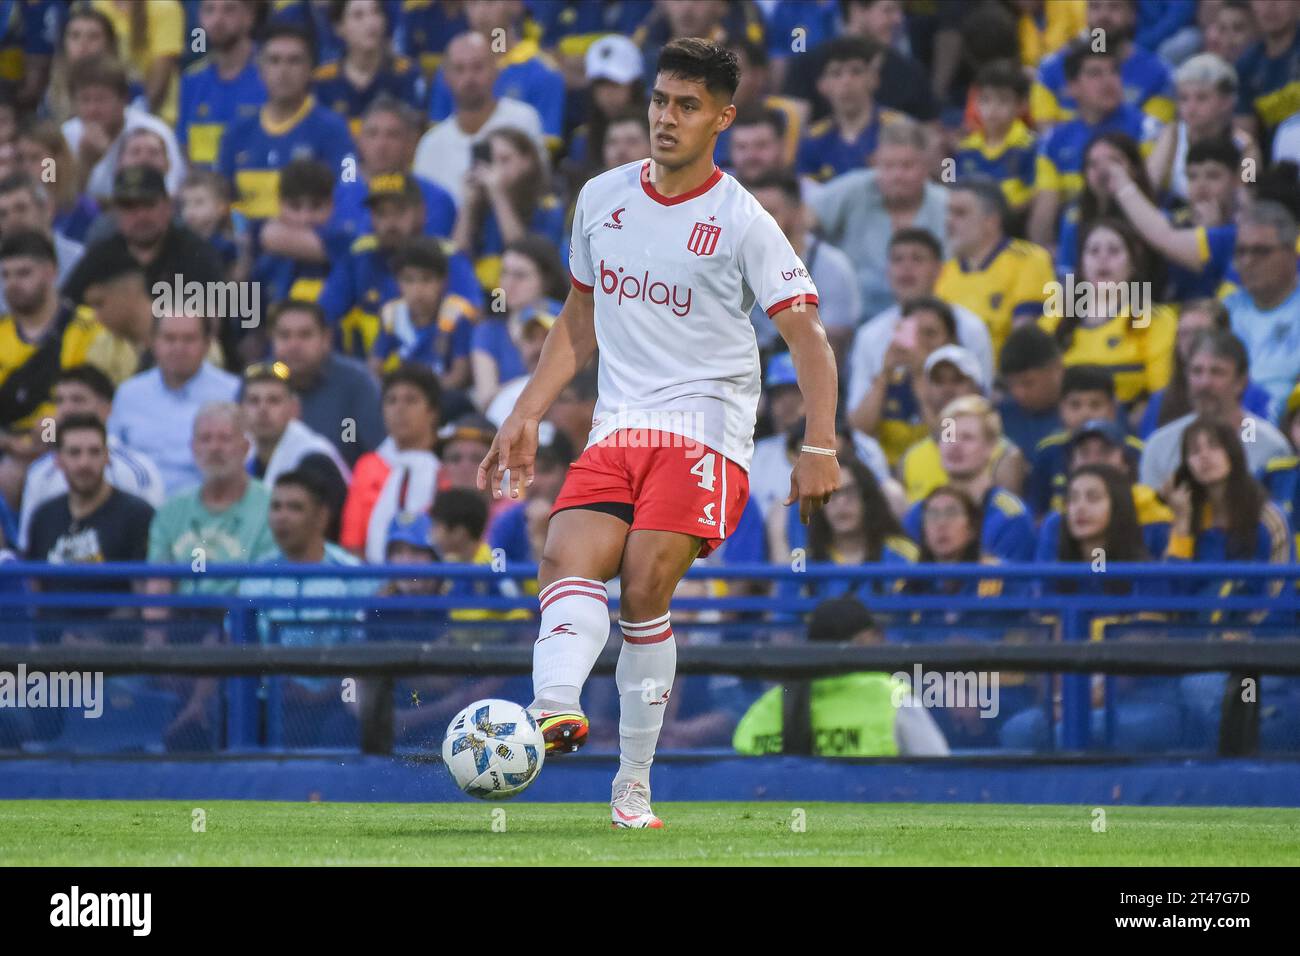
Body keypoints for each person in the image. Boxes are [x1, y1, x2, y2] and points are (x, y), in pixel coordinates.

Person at [477, 39, 838, 828]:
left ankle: (632, 785)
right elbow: (580, 319)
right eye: (659, 100)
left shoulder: (743, 219)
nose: (665, 118)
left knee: (644, 583)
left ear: (722, 118)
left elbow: (807, 337)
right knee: (564, 556)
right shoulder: (601, 197)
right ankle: (551, 712)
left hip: (705, 429)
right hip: (618, 425)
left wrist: (819, 445)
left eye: (686, 106)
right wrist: (527, 410)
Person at [236, 469, 374, 747]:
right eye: (276, 507)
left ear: (321, 517)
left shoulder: (353, 577)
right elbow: (237, 646)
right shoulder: (255, 576)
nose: (282, 517)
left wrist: (319, 694)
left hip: (331, 704)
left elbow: (363, 659)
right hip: (264, 701)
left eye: (295, 508)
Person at [732, 596, 949, 757]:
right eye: (878, 636)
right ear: (865, 640)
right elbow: (939, 772)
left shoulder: (766, 707)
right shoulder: (891, 696)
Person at [60, 166, 232, 367]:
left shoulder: (196, 254)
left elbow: (216, 324)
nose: (140, 215)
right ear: (116, 212)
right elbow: (66, 309)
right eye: (129, 206)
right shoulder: (102, 256)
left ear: (167, 207)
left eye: (148, 204)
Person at [808, 118, 949, 319]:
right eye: (889, 166)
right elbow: (802, 218)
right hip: (852, 320)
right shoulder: (854, 188)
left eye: (907, 166)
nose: (897, 175)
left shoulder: (946, 206)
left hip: (927, 316)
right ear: (876, 164)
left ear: (925, 167)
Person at [1038, 217, 1177, 419]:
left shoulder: (1155, 319)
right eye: (1093, 251)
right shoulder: (1055, 317)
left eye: (1114, 251)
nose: (1102, 258)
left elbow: (1160, 396)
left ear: (1133, 265)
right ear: (1082, 264)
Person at [1027, 41, 1162, 248]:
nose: (1108, 81)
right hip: (1075, 242)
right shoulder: (1054, 140)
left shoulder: (1146, 130)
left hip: (1134, 240)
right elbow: (1043, 218)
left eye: (1114, 72)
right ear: (1072, 87)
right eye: (1095, 74)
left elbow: (1149, 197)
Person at [216, 23, 356, 222]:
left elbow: (348, 190)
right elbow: (223, 200)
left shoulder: (334, 130)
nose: (283, 70)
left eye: (294, 61)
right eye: (274, 61)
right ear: (260, 69)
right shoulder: (236, 132)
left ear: (310, 69)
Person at [17, 364, 164, 552]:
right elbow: (29, 550)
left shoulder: (137, 470)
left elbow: (154, 545)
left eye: (77, 400)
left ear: (107, 408)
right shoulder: (39, 472)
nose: (66, 409)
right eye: (59, 401)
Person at [845, 228, 995, 401]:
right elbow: (857, 419)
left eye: (917, 259)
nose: (906, 267)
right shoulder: (869, 334)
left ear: (939, 269)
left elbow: (982, 404)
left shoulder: (970, 327)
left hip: (954, 426)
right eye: (897, 259)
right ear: (887, 271)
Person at [25, 413, 154, 606]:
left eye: (94, 452)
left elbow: (143, 598)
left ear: (107, 457)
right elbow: (34, 588)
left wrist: (99, 635)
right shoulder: (44, 516)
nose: (84, 463)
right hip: (51, 632)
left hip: (118, 634)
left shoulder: (137, 515)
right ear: (58, 460)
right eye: (74, 452)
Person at [1140, 329, 1291, 490]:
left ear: (1241, 382)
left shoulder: (1269, 445)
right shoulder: (1161, 445)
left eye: (1217, 372)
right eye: (1197, 371)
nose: (1205, 383)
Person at [412, 32, 545, 207]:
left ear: (495, 71)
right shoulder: (430, 144)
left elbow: (540, 186)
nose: (469, 78)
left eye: (478, 67)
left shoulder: (523, 119)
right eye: (459, 69)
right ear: (446, 78)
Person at [901, 395, 1035, 562]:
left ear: (991, 447)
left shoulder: (1011, 516)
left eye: (967, 438)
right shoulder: (919, 513)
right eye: (948, 437)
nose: (954, 445)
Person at [936, 177, 1055, 355]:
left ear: (991, 221)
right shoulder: (944, 271)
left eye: (960, 213)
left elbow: (1024, 339)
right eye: (949, 213)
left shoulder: (1029, 259)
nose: (949, 222)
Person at [748, 172, 861, 356]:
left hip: (807, 371)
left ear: (799, 213)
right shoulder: (737, 263)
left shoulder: (832, 268)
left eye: (769, 213)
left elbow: (832, 349)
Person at [0, 231, 101, 437]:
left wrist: (46, 433)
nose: (12, 284)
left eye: (23, 273)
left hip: (69, 446)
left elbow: (92, 403)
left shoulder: (90, 326)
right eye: (6, 275)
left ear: (51, 272)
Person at [896, 348, 1025, 504]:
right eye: (938, 381)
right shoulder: (910, 459)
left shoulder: (1004, 455)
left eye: (958, 380)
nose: (947, 389)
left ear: (977, 387)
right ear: (927, 390)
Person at [341, 363, 441, 563]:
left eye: (411, 400)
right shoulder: (367, 466)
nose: (399, 409)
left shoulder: (450, 463)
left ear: (432, 412)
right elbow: (352, 543)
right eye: (391, 401)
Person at [239, 361, 350, 540]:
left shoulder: (315, 458)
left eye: (273, 400)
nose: (262, 409)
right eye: (253, 401)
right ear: (242, 410)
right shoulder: (239, 453)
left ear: (294, 409)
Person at [1035, 420, 1173, 561]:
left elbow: (1172, 580)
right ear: (1072, 464)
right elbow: (1097, 571)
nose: (1094, 461)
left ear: (1125, 464)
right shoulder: (1057, 524)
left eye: (1104, 452)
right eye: (1084, 452)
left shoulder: (1155, 517)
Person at [270, 299, 384, 468]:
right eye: (284, 336)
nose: (294, 345)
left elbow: (379, 454)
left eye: (305, 335)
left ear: (326, 338)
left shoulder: (356, 382)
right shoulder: (260, 381)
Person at [450, 126, 566, 292]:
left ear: (527, 162)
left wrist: (498, 195)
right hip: (485, 294)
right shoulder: (480, 204)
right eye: (491, 161)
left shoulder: (547, 207)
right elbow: (457, 257)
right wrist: (468, 206)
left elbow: (525, 254)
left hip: (526, 293)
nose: (495, 169)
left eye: (504, 160)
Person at [849, 296, 959, 467]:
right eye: (913, 333)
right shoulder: (887, 381)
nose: (920, 342)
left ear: (950, 340)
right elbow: (859, 434)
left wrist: (919, 377)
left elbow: (950, 440)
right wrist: (884, 374)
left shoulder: (961, 383)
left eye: (930, 334)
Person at [1138, 297, 1272, 438]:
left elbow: (1253, 446)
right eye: (1184, 334)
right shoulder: (1161, 400)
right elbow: (1151, 449)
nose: (1191, 342)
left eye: (1200, 333)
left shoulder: (1254, 397)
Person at [59, 55, 184, 203]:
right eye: (85, 100)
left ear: (123, 99)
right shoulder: (65, 134)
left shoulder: (155, 132)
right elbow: (59, 203)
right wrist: (86, 164)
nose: (93, 109)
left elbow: (172, 192)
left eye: (101, 99)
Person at [1145, 53, 1259, 206]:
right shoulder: (1172, 133)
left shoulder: (1247, 148)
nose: (1191, 108)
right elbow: (1149, 184)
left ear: (1226, 102)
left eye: (1202, 98)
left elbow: (1245, 198)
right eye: (1184, 98)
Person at [469, 234, 565, 411]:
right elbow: (486, 398)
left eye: (520, 276)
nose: (508, 283)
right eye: (504, 273)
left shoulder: (565, 320)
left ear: (546, 281)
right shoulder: (488, 330)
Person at [1028, 364, 1139, 517]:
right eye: (1075, 405)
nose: (1085, 414)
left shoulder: (1136, 451)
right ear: (1061, 409)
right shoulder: (1048, 452)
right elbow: (1037, 514)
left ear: (1113, 409)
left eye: (1095, 405)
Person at [1223, 201, 1300, 419]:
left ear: (1291, 254)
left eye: (1260, 251)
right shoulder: (1226, 309)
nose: (1248, 261)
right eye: (1241, 252)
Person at [370, 237, 475, 395]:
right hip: (407, 393)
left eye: (427, 279)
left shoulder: (458, 314)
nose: (417, 289)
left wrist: (421, 394)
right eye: (409, 280)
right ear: (398, 283)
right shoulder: (391, 314)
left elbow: (458, 376)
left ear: (443, 282)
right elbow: (374, 368)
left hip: (444, 394)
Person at [796, 36, 902, 183]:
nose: (846, 81)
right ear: (822, 85)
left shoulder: (900, 129)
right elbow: (809, 198)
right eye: (836, 73)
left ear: (873, 79)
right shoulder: (812, 141)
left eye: (856, 72)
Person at [176, 0, 265, 168]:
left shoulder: (270, 72)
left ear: (249, 16)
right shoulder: (191, 79)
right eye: (209, 10)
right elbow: (184, 145)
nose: (217, 19)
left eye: (229, 9)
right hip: (205, 185)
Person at [312, 0, 422, 136]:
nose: (371, 22)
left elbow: (414, 132)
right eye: (358, 15)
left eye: (376, 12)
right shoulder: (322, 81)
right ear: (339, 27)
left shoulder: (406, 74)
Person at [956, 60, 1038, 215]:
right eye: (985, 100)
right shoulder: (963, 149)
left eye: (1003, 101)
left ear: (1021, 105)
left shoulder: (1032, 147)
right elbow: (950, 186)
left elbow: (1035, 196)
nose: (992, 109)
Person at [0, 174, 84, 312]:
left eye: (21, 208)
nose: (12, 220)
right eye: (3, 214)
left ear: (47, 209)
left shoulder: (80, 260)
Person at [1234, 0, 1300, 144]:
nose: (1270, 5)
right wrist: (1248, 167)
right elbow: (1245, 142)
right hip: (1273, 163)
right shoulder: (1247, 64)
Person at [997, 325, 1065, 459]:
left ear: (1057, 369)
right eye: (1011, 384)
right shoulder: (998, 417)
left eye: (1027, 383)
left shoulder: (1082, 411)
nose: (1019, 393)